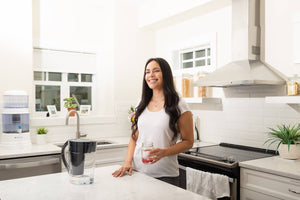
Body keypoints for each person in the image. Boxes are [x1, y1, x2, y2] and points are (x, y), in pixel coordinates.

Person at [112, 57, 194, 186]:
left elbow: (188, 142)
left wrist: (165, 152)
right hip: (138, 172)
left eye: (156, 71)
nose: (151, 75)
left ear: (165, 74)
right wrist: (127, 163)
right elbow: (134, 137)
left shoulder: (179, 105)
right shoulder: (142, 102)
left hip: (165, 176)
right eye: (147, 72)